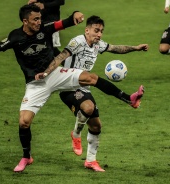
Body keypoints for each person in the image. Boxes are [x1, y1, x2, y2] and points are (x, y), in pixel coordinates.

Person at [0, 4, 143, 173]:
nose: (39, 22)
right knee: (24, 122)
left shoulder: (45, 29)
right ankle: (26, 156)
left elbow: (63, 22)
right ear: (25, 21)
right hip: (35, 83)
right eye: (35, 19)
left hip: (56, 74)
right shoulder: (15, 38)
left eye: (40, 18)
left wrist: (74, 15)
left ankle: (128, 98)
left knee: (90, 78)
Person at [36, 15, 148, 172]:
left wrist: (135, 48)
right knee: (88, 107)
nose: (99, 34)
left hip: (84, 86)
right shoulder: (77, 42)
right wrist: (46, 73)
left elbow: (116, 48)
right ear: (87, 30)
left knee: (96, 126)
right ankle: (77, 133)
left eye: (101, 31)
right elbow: (61, 56)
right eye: (96, 30)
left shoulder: (98, 45)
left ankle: (90, 161)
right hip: (68, 86)